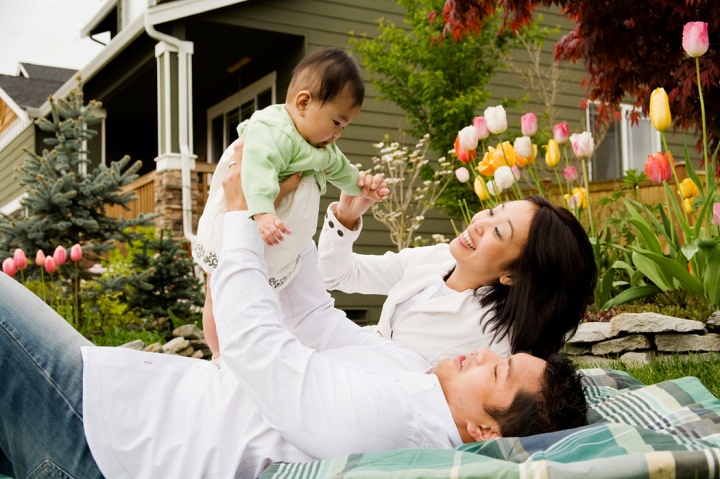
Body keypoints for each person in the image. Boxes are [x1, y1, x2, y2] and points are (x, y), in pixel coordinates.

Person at [0, 162, 588, 479]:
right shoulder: (420, 376)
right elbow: (317, 314)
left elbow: (261, 351)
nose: (482, 356)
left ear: (485, 432)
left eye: (495, 371)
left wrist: (239, 218)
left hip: (106, 437)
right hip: (128, 397)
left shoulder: (394, 422)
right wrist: (286, 211)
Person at [318, 190, 597, 364]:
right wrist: (345, 216)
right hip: (348, 359)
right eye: (490, 212)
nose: (479, 224)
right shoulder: (438, 258)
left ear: (513, 274)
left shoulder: (492, 341)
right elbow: (338, 275)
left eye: (498, 232)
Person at [193, 47, 383, 290]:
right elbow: (256, 172)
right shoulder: (272, 130)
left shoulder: (321, 145)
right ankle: (215, 331)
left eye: (344, 127)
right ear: (303, 102)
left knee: (257, 294)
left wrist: (361, 186)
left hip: (276, 238)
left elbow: (340, 168)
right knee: (219, 291)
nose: (338, 134)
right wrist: (262, 214)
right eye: (336, 122)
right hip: (249, 221)